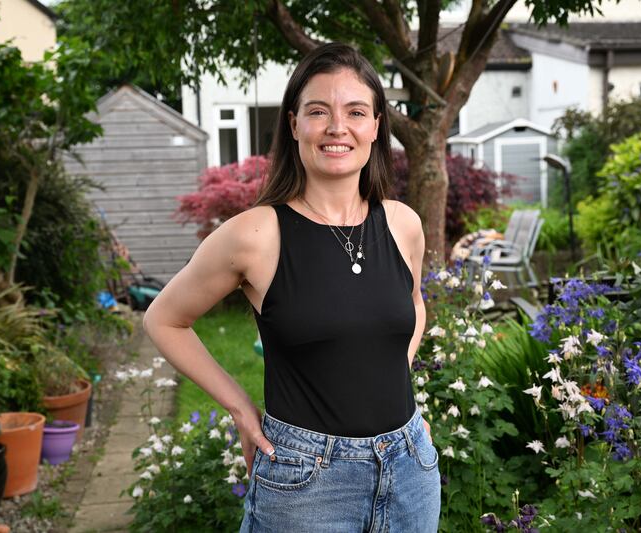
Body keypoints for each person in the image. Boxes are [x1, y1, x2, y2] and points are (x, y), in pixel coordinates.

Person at [143, 42, 441, 532]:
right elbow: (165, 319)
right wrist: (240, 409)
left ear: (376, 126)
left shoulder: (402, 223)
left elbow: (413, 307)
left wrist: (397, 387)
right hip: (307, 485)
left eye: (356, 112)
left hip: (410, 469)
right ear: (294, 123)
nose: (337, 127)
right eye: (318, 111)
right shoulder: (255, 235)